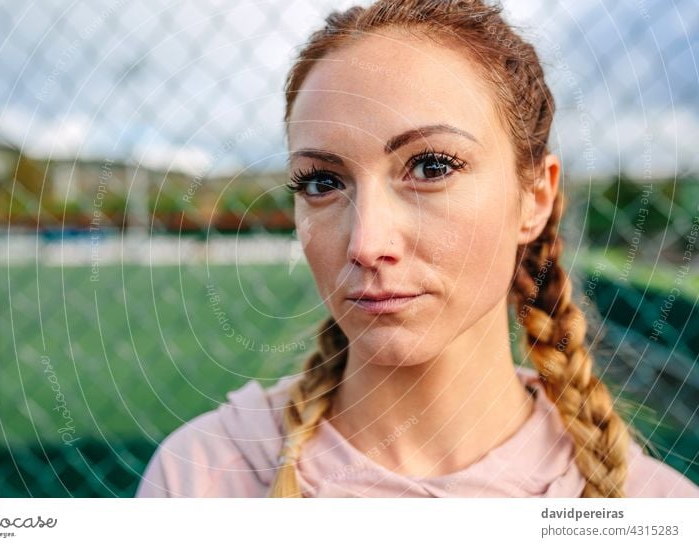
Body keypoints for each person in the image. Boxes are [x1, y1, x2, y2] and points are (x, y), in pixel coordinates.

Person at [136, 0, 699, 498]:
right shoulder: (202, 478)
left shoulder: (655, 509)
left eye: (432, 167)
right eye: (322, 183)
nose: (366, 244)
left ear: (535, 198)